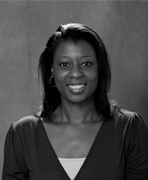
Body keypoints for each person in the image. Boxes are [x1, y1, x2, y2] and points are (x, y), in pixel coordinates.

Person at [2, 23, 148, 180]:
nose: (76, 73)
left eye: (86, 63)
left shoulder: (129, 128)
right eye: (65, 64)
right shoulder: (23, 133)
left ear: (99, 67)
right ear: (52, 69)